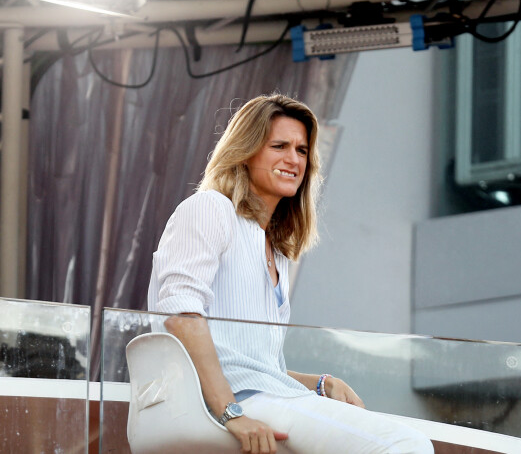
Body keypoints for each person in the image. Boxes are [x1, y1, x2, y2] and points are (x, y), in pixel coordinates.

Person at [148, 93, 434, 454]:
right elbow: (180, 315)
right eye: (279, 146)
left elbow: (259, 365)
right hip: (222, 402)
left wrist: (319, 383)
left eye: (301, 150)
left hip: (260, 396)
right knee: (405, 444)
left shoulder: (275, 249)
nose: (293, 159)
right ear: (246, 152)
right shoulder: (211, 208)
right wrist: (230, 412)